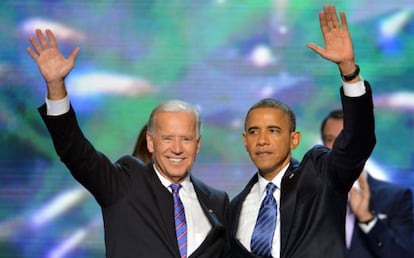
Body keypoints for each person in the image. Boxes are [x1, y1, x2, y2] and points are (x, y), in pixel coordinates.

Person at [27, 29, 230, 258]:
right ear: (151, 143)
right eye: (167, 138)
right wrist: (56, 88)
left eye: (186, 139)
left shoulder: (216, 201)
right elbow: (75, 151)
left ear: (198, 145)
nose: (177, 148)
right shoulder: (124, 184)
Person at [229, 5, 376, 258]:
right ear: (245, 141)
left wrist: (349, 72)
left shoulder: (319, 175)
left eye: (273, 130)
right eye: (254, 132)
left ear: (294, 139)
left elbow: (357, 142)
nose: (262, 140)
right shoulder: (234, 208)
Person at [321, 109, 414, 258]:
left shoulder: (396, 198)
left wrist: (367, 219)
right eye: (331, 139)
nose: (339, 146)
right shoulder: (307, 197)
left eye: (346, 138)